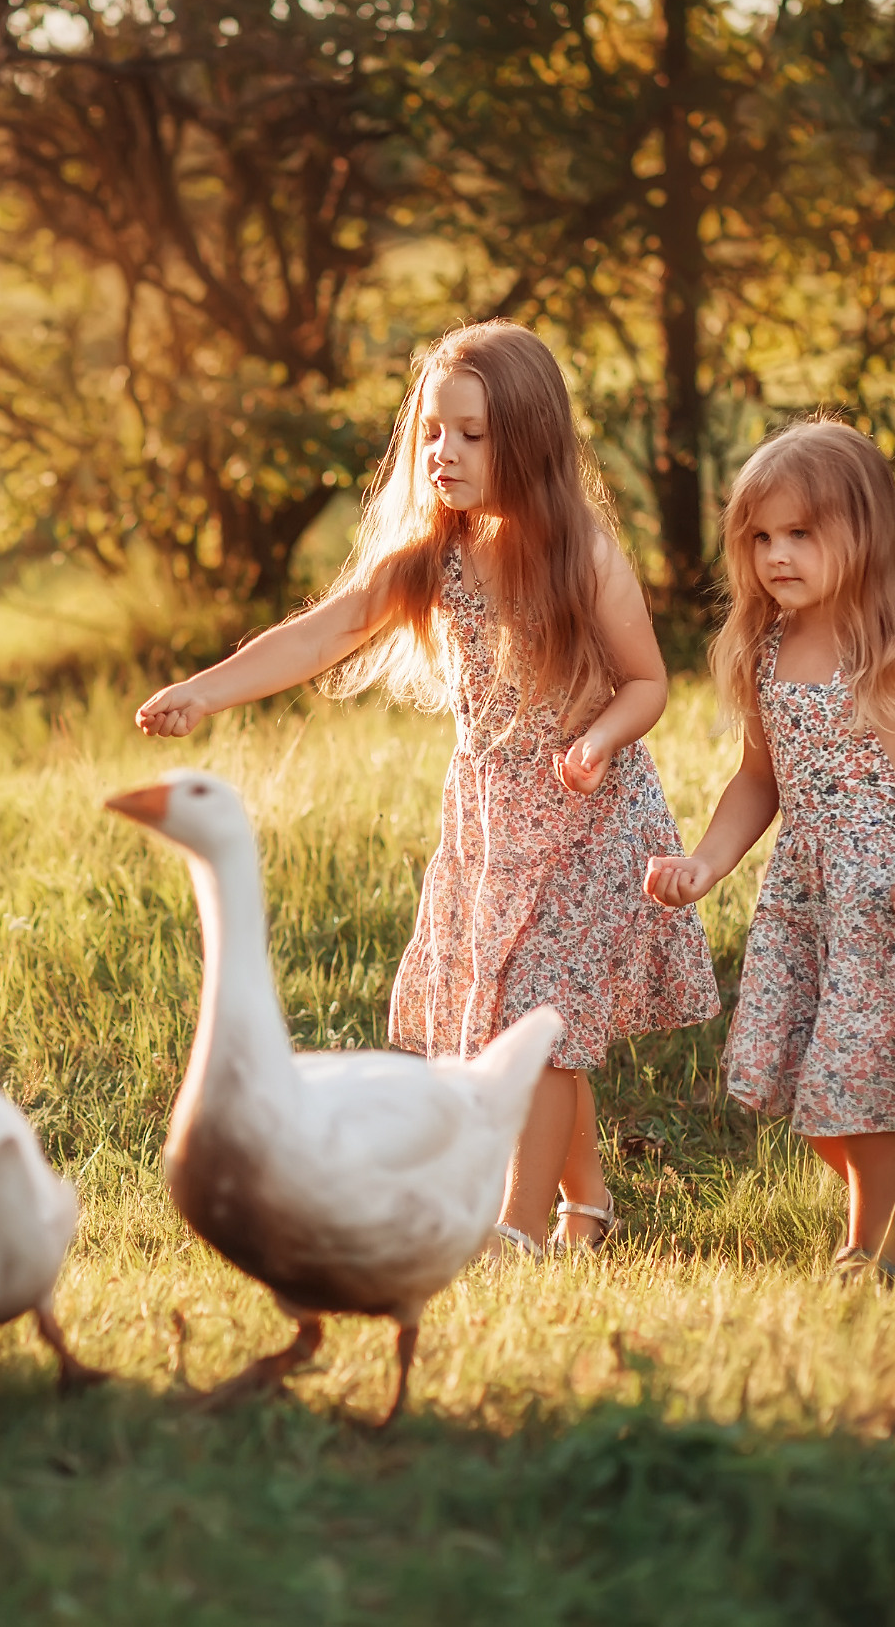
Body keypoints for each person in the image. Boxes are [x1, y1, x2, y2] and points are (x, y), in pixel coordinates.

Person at [136, 320, 719, 1255]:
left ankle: (519, 1231)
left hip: (585, 821)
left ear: (527, 440)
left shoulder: (584, 557)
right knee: (522, 1025)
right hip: (490, 829)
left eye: (473, 434)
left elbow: (648, 681)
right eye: (434, 432)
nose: (445, 452)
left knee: (541, 1022)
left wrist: (601, 739)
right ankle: (590, 1208)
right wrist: (203, 692)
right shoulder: (433, 557)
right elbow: (319, 635)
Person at [644, 419, 895, 1279]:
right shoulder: (765, 649)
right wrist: (708, 861)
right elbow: (758, 780)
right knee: (814, 1098)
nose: (778, 555)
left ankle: (876, 1248)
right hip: (808, 896)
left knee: (870, 1080)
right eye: (762, 538)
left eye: (802, 534)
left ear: (864, 534)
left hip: (889, 894)